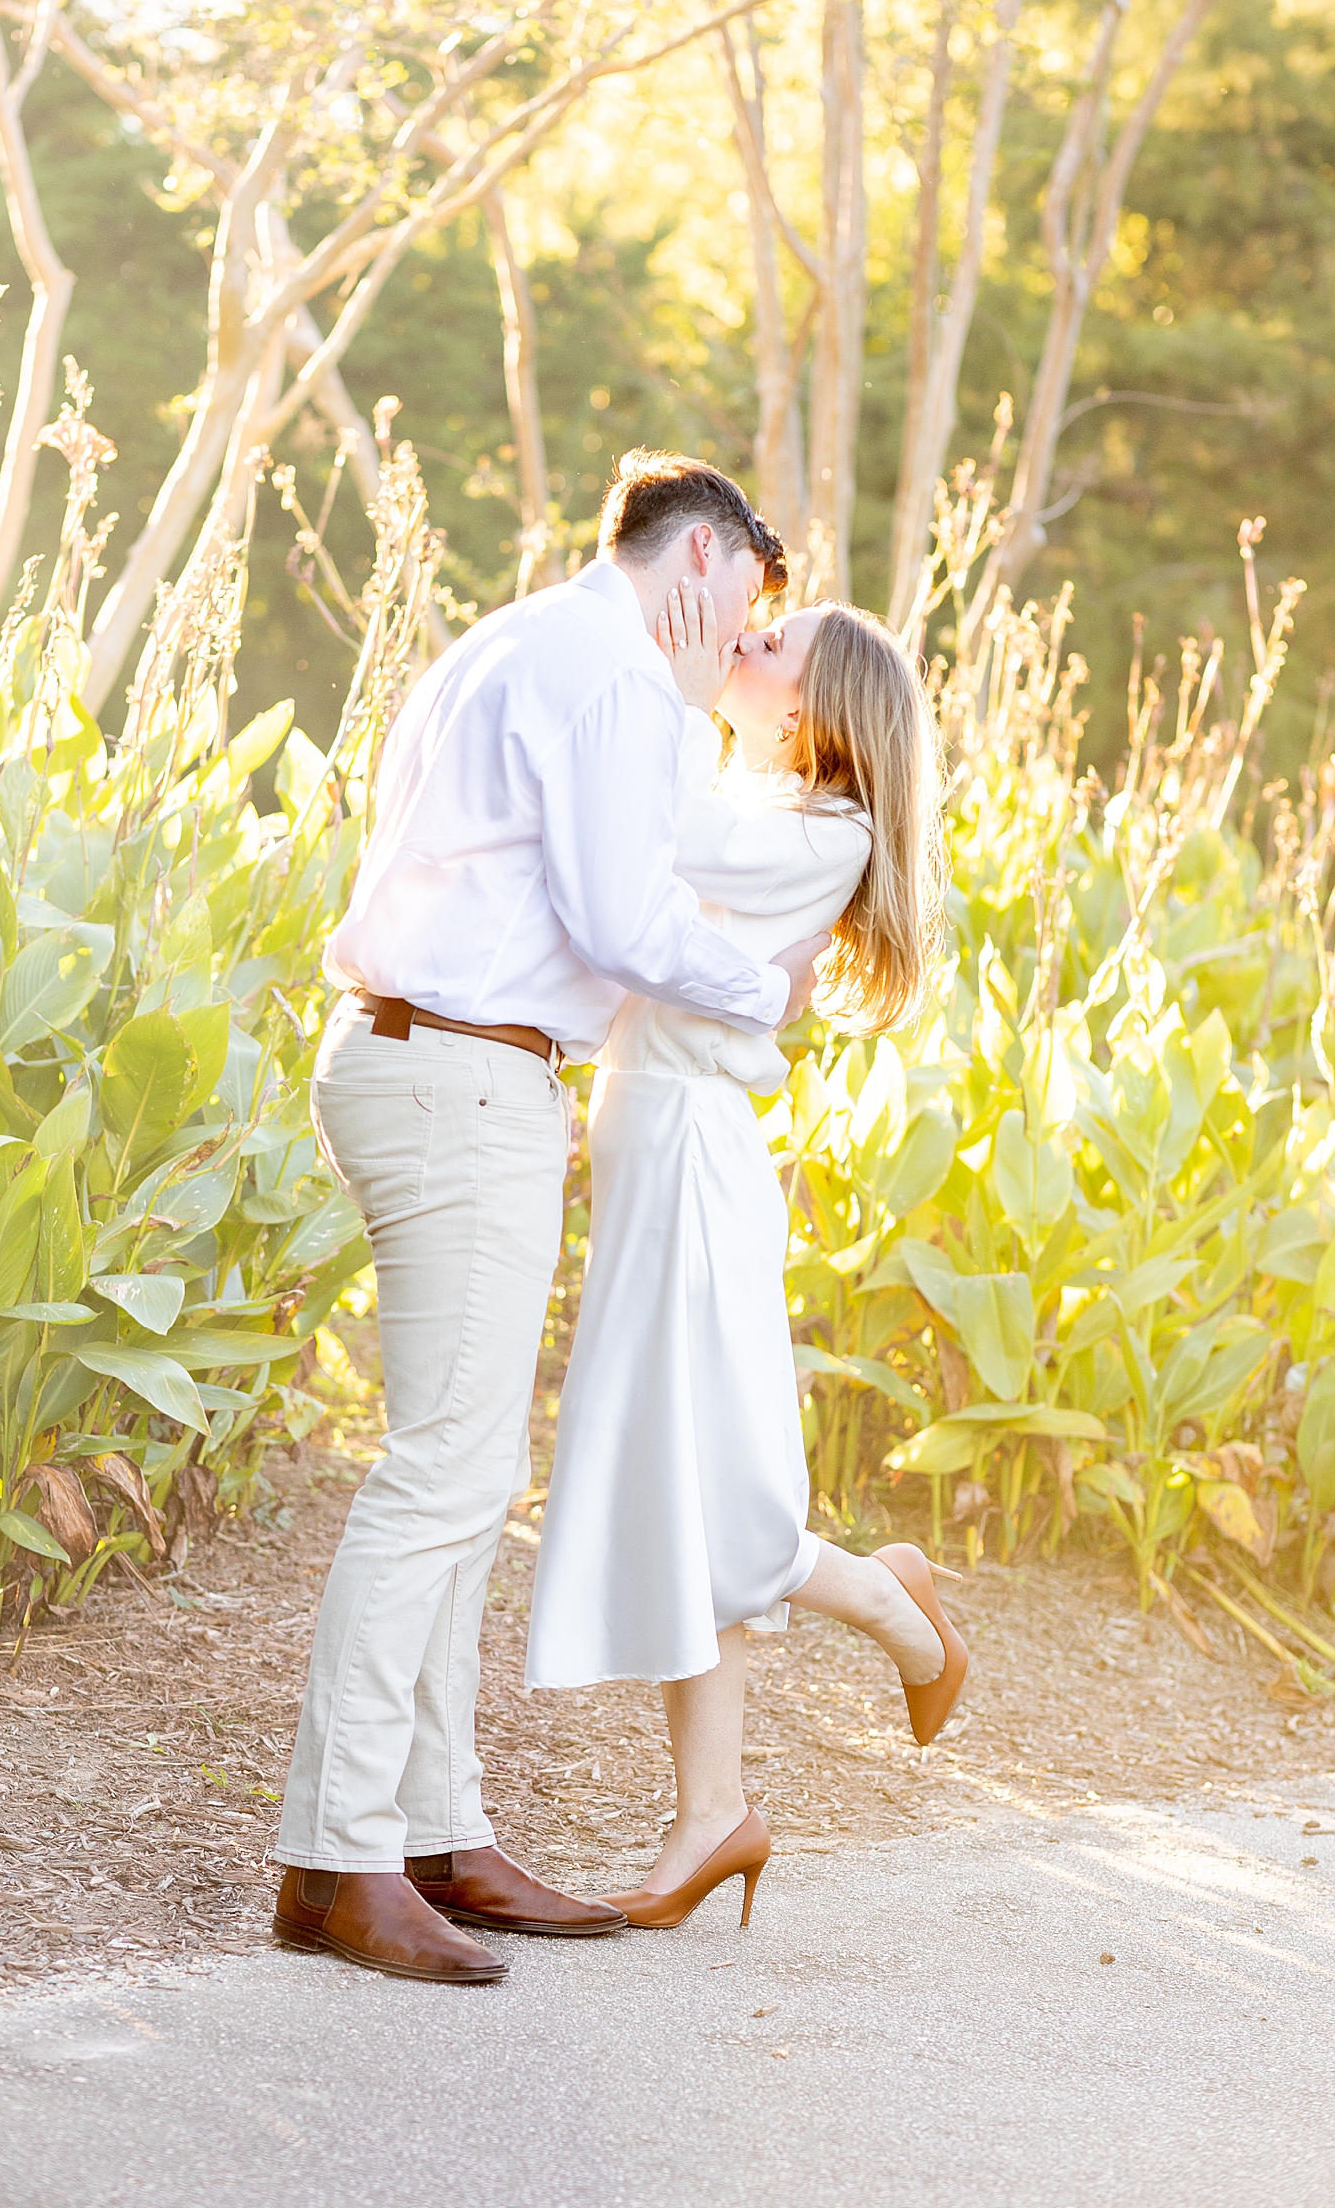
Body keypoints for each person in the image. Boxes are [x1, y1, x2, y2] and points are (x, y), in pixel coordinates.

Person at [272, 451, 832, 1986]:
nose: (734, 650)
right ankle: (336, 1855)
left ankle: (440, 1832)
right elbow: (617, 911)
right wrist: (764, 987)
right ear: (704, 558)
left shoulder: (510, 639)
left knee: (460, 1463)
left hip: (422, 1060)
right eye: (744, 615)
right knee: (443, 1470)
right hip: (460, 1073)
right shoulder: (615, 679)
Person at [525, 588, 969, 1930]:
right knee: (683, 1495)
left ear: (821, 708)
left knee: (725, 1499)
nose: (747, 643)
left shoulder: (816, 830)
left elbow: (669, 837)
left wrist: (650, 670)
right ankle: (712, 1813)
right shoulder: (760, 805)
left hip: (698, 1164)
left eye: (773, 645)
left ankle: (900, 1612)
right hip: (655, 1143)